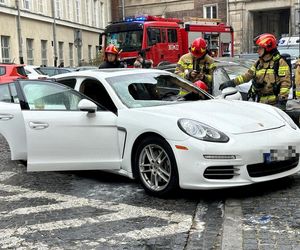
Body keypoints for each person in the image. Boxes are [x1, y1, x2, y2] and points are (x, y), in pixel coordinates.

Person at [219, 33, 291, 110]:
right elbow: (247, 76)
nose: (258, 51)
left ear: (267, 48)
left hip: (274, 105)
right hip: (260, 103)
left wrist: (282, 101)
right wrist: (232, 82)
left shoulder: (280, 63)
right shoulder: (258, 63)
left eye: (260, 48)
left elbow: (285, 83)